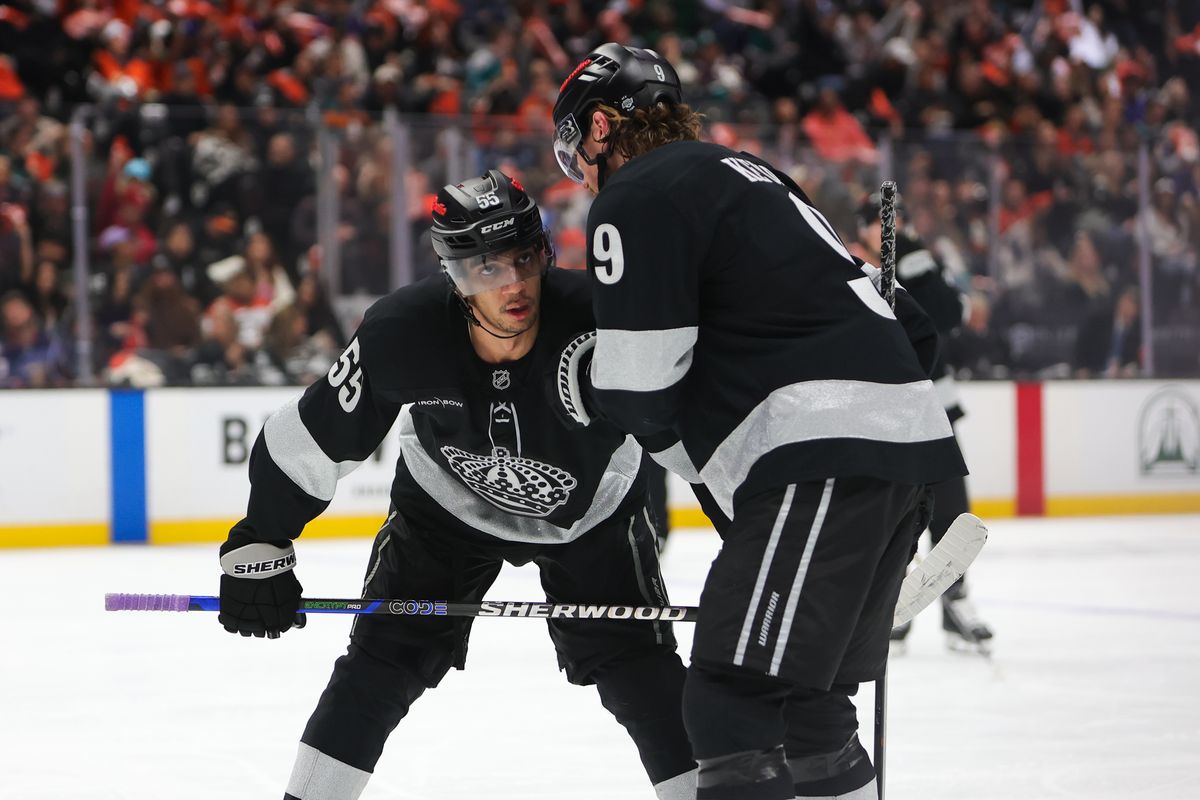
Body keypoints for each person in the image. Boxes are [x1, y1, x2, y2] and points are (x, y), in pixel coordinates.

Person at [550, 44, 967, 800]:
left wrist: (610, 406)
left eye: (575, 145)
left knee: (729, 702)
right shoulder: (754, 175)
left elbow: (639, 386)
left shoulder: (635, 194)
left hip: (817, 456)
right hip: (902, 455)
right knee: (809, 710)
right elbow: (914, 328)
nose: (578, 169)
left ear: (603, 126)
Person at [215, 169, 696, 800]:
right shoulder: (402, 331)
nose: (514, 285)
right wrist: (259, 540)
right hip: (446, 508)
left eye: (524, 258)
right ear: (453, 275)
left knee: (643, 676)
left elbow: (702, 434)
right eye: (486, 268)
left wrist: (765, 539)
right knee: (380, 666)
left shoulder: (606, 320)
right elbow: (313, 435)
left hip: (592, 512)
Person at [852, 194, 994, 652]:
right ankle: (888, 611)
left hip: (935, 409)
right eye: (880, 221)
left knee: (951, 511)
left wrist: (910, 256)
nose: (891, 228)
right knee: (890, 516)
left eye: (898, 221)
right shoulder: (848, 264)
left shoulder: (919, 262)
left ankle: (956, 605)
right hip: (881, 413)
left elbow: (948, 315)